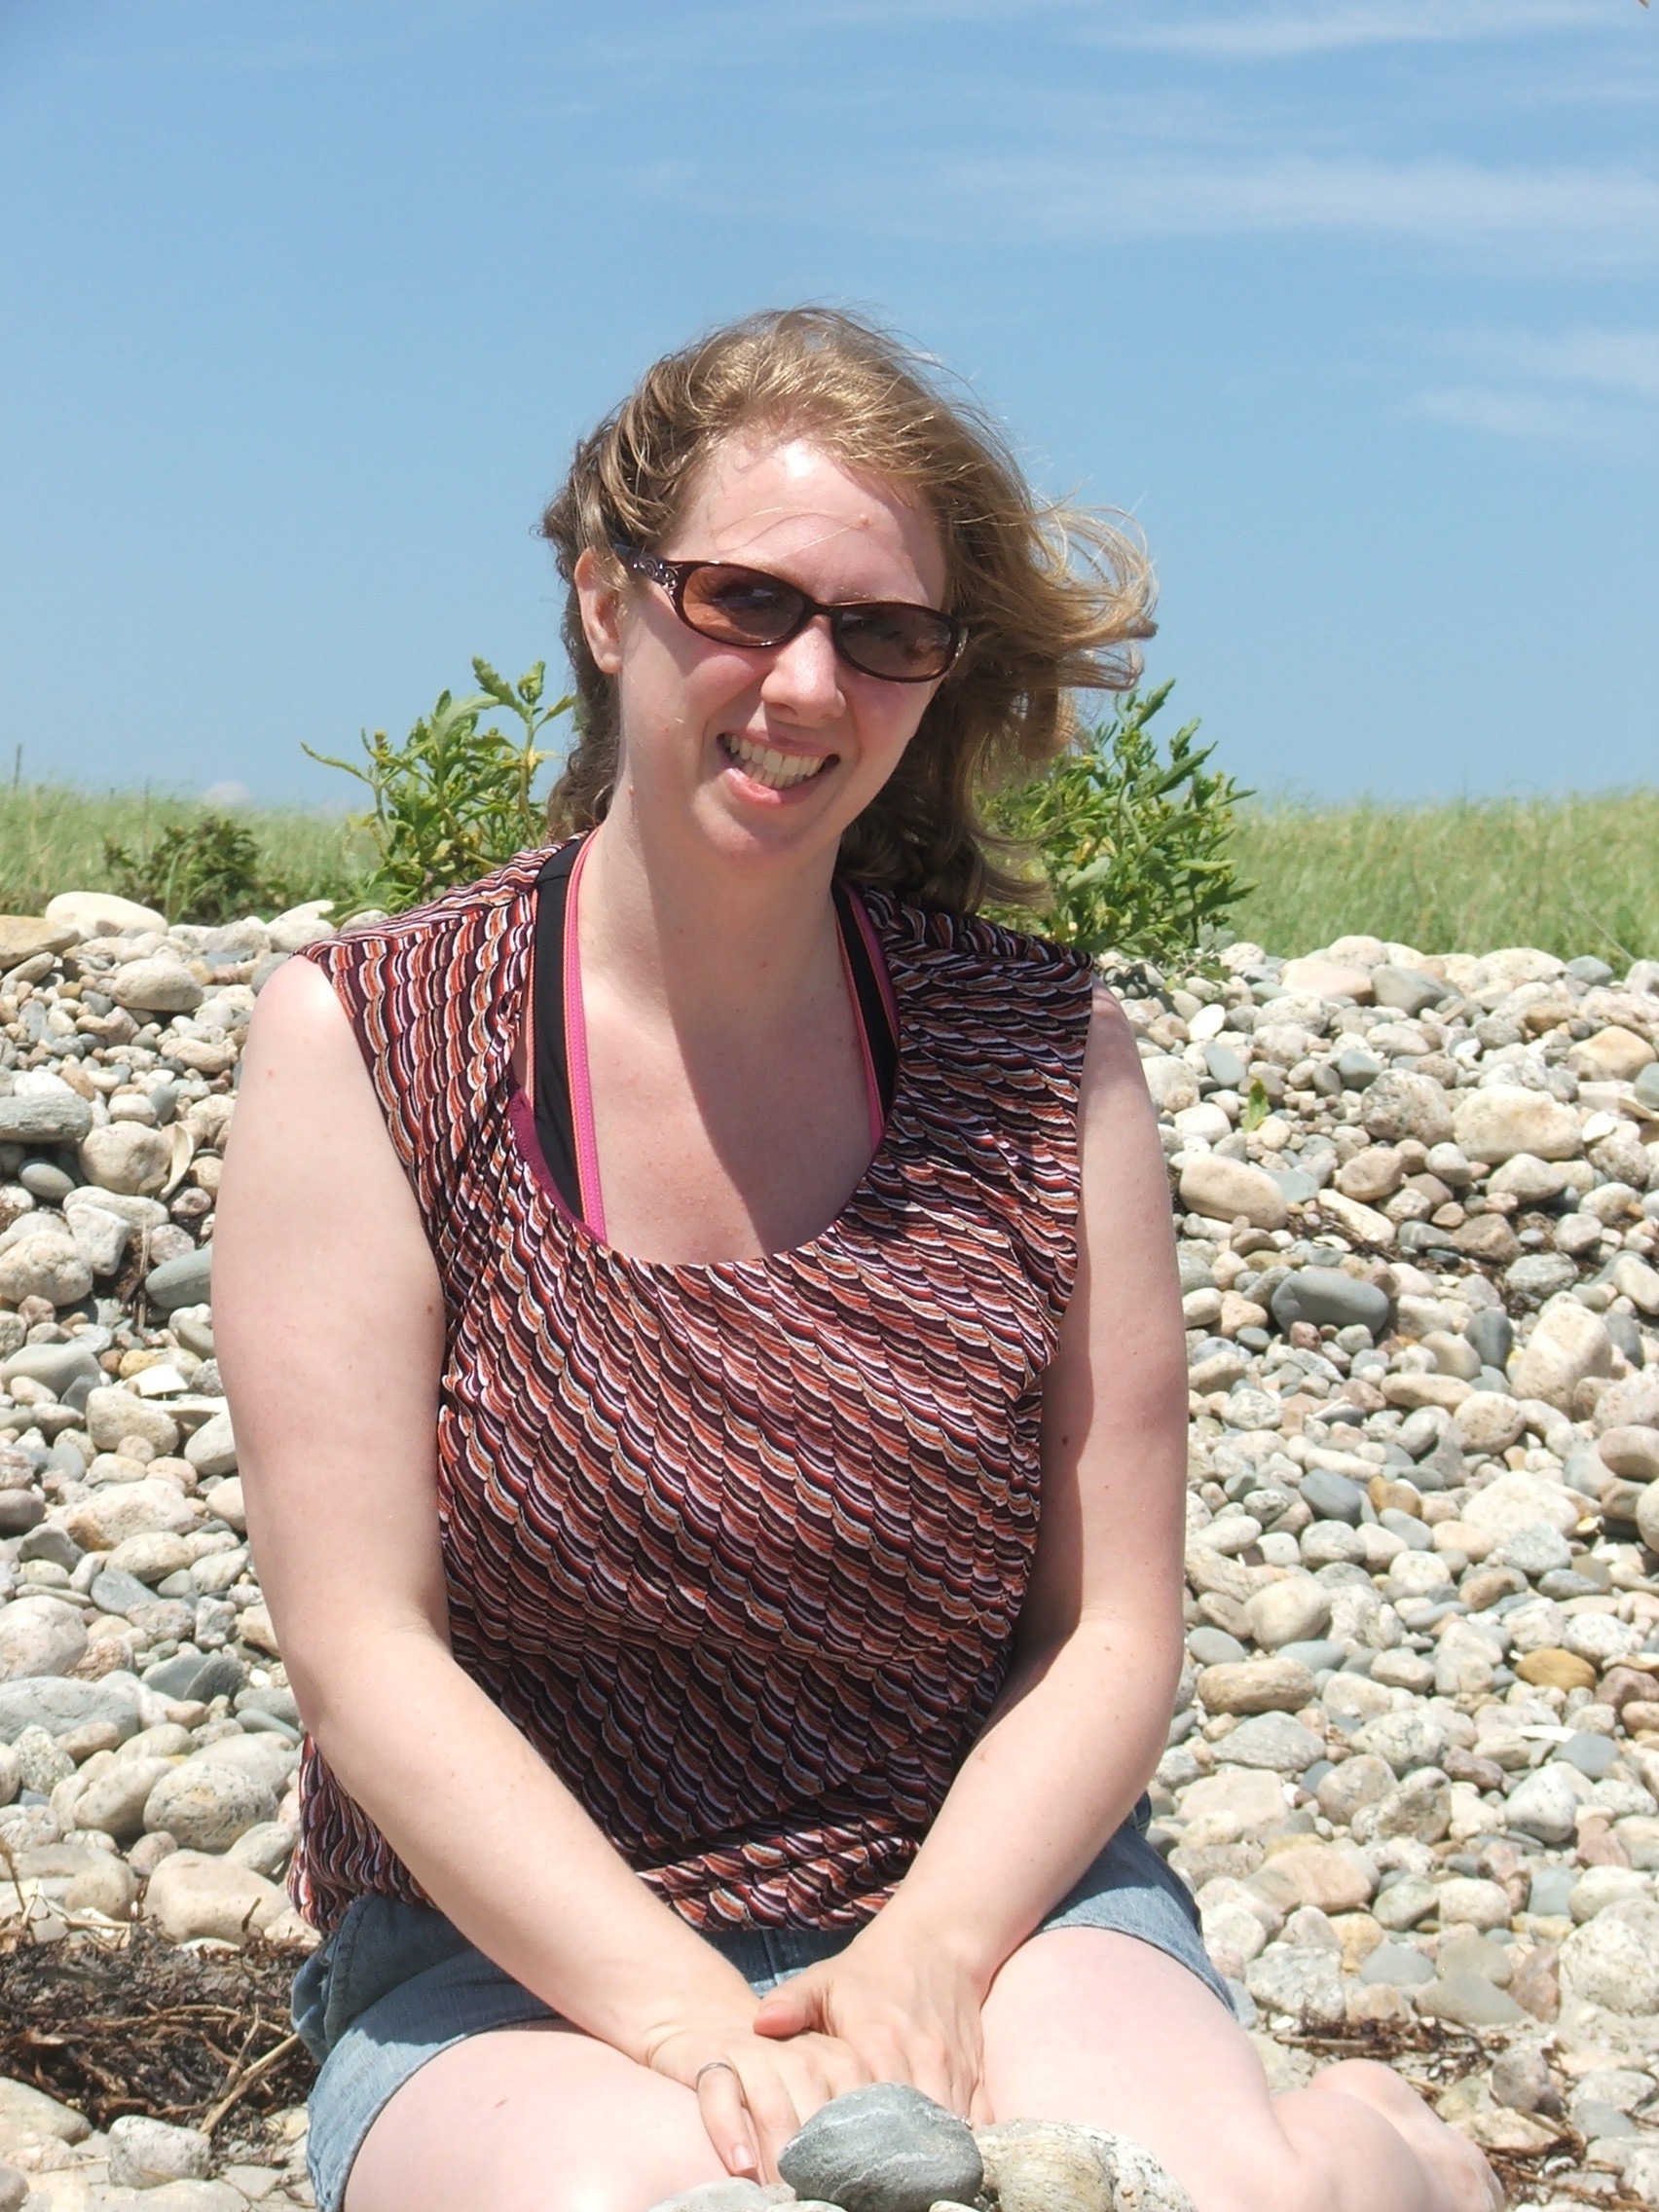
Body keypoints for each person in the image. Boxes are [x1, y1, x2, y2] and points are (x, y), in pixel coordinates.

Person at [214, 308, 1499, 2212]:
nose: (807, 683)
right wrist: (686, 2023)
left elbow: (1110, 1626)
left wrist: (934, 1947)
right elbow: (362, 1649)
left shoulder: (1044, 1052)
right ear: (607, 600)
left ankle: (1372, 2153)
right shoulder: (373, 1043)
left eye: (885, 633)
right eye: (744, 601)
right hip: (509, 1963)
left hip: (990, 1905)